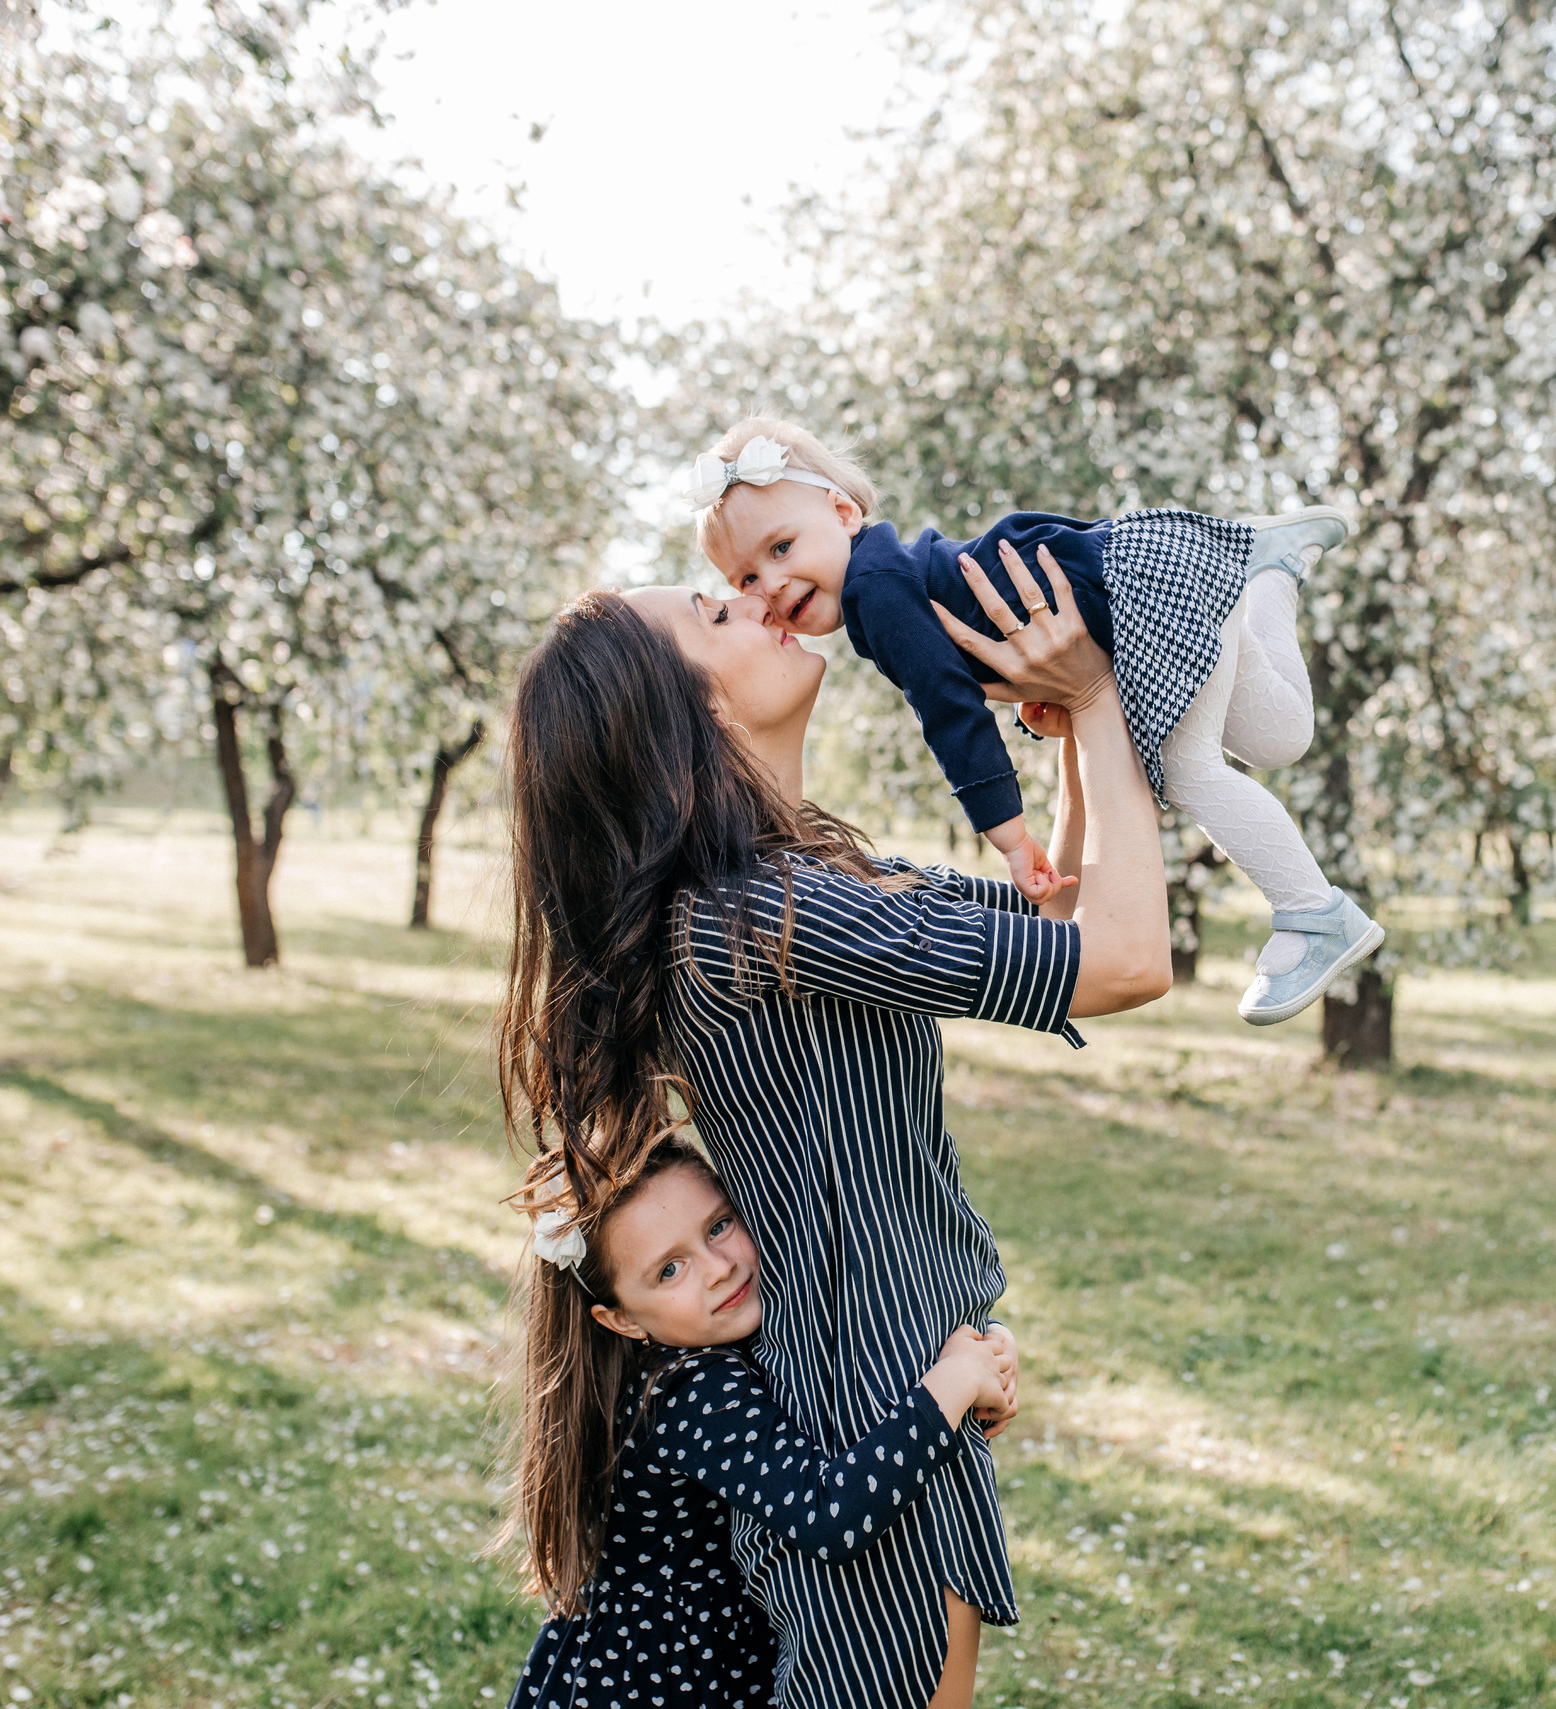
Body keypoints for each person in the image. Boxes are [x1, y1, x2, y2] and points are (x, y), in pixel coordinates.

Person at [499, 549, 1169, 1709]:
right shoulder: (752, 917)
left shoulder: (794, 880)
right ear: (689, 714)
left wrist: (1060, 723)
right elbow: (1122, 959)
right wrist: (1103, 701)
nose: (758, 597)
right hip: (875, 1412)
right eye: (717, 611)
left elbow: (1058, 914)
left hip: (893, 1382)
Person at [681, 417, 1385, 1025]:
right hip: (1161, 571)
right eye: (743, 579)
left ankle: (1313, 912)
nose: (768, 586)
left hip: (1132, 604)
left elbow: (946, 708)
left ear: (841, 513)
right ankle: (1271, 573)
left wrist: (1009, 834)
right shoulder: (894, 568)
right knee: (1280, 736)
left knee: (1185, 769)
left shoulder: (874, 589)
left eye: (780, 549)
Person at [501, 1135, 1019, 1709]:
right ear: (620, 1319)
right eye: (670, 1270)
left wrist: (989, 1343)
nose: (719, 1270)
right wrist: (950, 1386)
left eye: (719, 1226)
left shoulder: (719, 1340)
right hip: (663, 1683)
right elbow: (830, 1515)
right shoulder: (690, 1393)